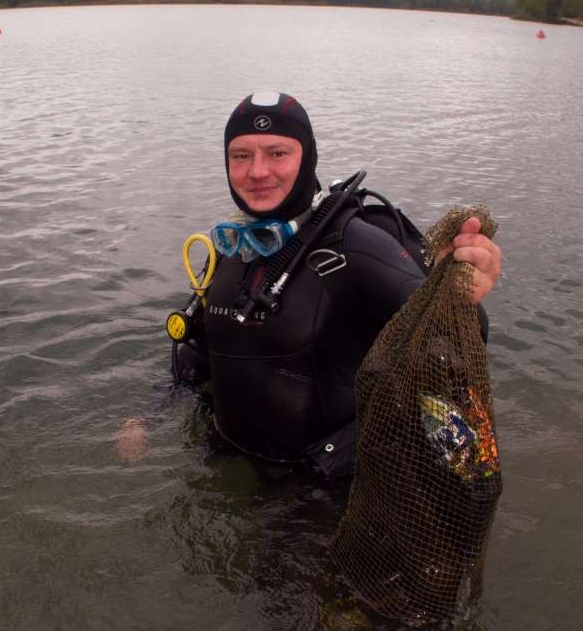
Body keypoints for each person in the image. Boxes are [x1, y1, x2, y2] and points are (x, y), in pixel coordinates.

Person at [168, 91, 502, 478]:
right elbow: (197, 347)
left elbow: (462, 337)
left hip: (323, 492)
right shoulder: (230, 247)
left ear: (307, 157)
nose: (257, 171)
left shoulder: (355, 246)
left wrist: (461, 292)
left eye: (277, 153)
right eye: (241, 156)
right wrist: (151, 413)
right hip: (227, 461)